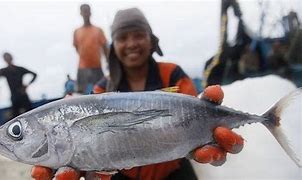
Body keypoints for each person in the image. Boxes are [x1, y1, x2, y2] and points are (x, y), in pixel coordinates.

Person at [31, 8, 244, 180]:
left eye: (138, 35)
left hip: (173, 171)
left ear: (151, 40)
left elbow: (193, 113)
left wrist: (208, 139)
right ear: (114, 46)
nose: (131, 43)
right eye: (123, 38)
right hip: (123, 175)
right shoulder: (101, 88)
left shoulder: (172, 73)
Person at [73, 4, 109, 94]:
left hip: (97, 67)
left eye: (87, 11)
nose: (86, 13)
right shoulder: (76, 32)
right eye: (84, 11)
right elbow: (77, 48)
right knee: (79, 93)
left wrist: (110, 64)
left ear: (90, 12)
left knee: (102, 91)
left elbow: (105, 49)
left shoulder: (98, 30)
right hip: (82, 68)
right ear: (80, 13)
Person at [0, 52, 37, 118]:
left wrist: (27, 85)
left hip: (23, 95)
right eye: (6, 58)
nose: (8, 59)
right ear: (4, 60)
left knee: (31, 114)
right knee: (15, 117)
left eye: (8, 57)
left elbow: (34, 74)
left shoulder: (20, 69)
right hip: (14, 97)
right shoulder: (4, 71)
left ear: (11, 58)